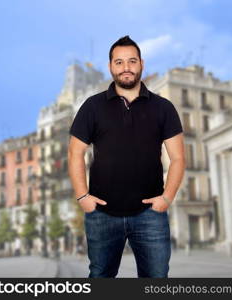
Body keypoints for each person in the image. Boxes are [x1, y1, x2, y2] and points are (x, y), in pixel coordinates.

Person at [68, 35, 185, 278]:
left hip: (150, 215)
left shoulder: (164, 107)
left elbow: (178, 158)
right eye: (119, 62)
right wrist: (82, 197)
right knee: (100, 278)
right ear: (110, 66)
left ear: (141, 64)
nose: (126, 68)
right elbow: (75, 152)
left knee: (156, 278)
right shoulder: (92, 106)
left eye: (132, 61)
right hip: (102, 214)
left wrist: (166, 198)